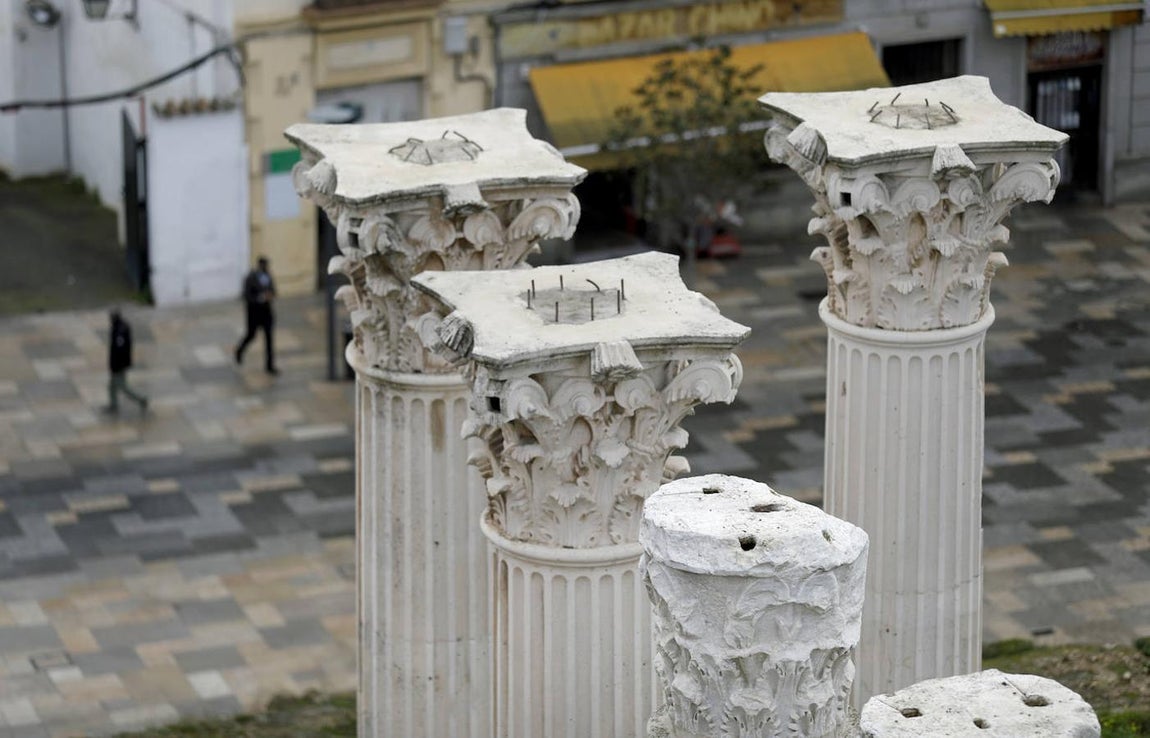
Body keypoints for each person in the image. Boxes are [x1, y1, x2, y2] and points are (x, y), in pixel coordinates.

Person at [235, 256, 278, 374]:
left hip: (266, 313)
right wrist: (260, 298)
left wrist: (270, 295)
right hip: (254, 313)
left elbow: (274, 291)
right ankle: (239, 351)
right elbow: (247, 296)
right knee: (251, 335)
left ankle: (269, 365)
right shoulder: (251, 278)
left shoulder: (268, 277)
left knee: (269, 339)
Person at [106, 309, 148, 414]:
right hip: (119, 363)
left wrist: (115, 366)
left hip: (119, 364)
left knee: (123, 387)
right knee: (112, 386)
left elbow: (119, 350)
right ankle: (113, 405)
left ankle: (141, 399)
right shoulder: (121, 326)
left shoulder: (119, 331)